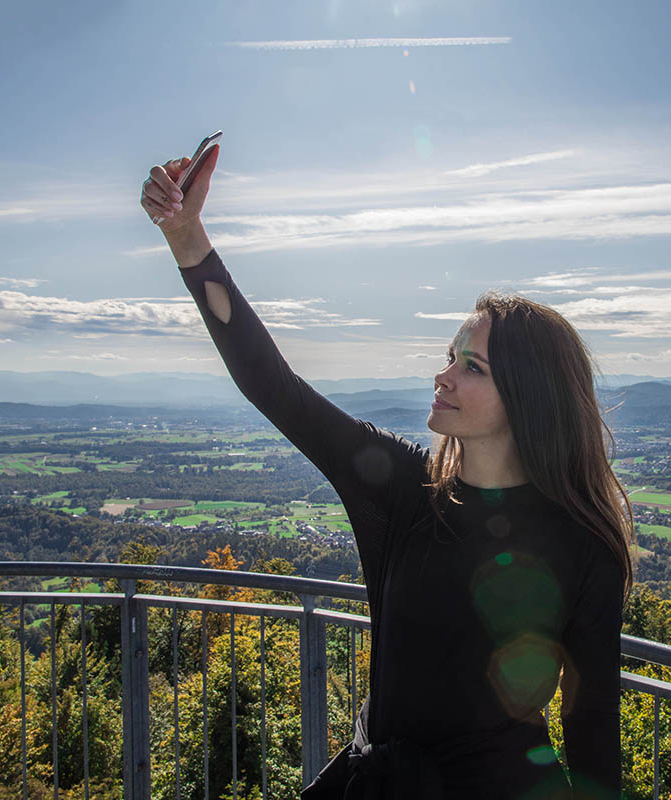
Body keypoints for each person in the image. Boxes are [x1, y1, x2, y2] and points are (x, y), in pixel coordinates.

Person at [141, 146, 633, 800]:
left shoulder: (583, 548)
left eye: (472, 367)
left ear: (529, 397)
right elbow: (273, 385)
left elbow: (591, 724)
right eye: (450, 356)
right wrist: (186, 237)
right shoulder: (403, 493)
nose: (443, 374)